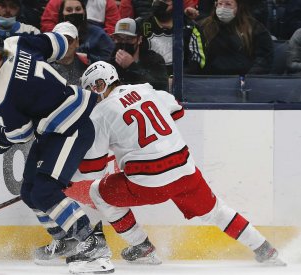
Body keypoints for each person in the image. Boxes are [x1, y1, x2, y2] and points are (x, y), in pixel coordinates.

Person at [70, 61, 286, 266]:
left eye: (94, 87)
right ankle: (265, 249)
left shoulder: (99, 113)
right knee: (217, 210)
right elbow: (177, 110)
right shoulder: (145, 89)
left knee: (98, 192)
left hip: (146, 182)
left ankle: (142, 248)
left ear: (104, 83)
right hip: (185, 172)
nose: (93, 94)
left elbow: (93, 168)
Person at [0, 25, 114, 273]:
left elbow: (21, 134)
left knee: (45, 192)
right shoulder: (16, 42)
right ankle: (63, 240)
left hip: (71, 127)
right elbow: (60, 44)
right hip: (55, 127)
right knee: (30, 191)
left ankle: (93, 244)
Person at [192, 0, 274, 75]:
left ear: (238, 7)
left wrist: (249, 79)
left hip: (244, 82)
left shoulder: (254, 28)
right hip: (208, 81)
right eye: (220, 4)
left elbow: (263, 59)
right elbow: (193, 58)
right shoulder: (203, 26)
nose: (222, 8)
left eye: (228, 4)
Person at [110, 17, 168, 90]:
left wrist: (132, 66)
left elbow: (160, 87)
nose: (124, 42)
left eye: (129, 39)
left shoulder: (154, 60)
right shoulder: (110, 64)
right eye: (119, 38)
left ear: (139, 39)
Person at [40, 0, 120, 36]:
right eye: (68, 10)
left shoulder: (107, 2)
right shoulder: (56, 2)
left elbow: (113, 29)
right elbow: (48, 24)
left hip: (95, 48)